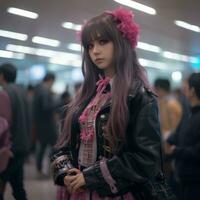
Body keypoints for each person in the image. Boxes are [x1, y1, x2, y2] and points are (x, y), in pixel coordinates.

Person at [52, 7, 174, 200]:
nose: (95, 51)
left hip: (117, 192)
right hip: (79, 190)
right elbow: (64, 142)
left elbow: (146, 160)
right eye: (90, 45)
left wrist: (91, 177)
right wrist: (66, 172)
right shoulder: (86, 95)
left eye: (103, 42)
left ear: (121, 42)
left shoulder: (139, 95)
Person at [0, 63, 30, 200]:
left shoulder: (4, 93)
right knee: (18, 187)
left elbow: (4, 125)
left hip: (9, 150)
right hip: (22, 147)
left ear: (2, 76)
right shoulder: (23, 93)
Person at [172, 73, 200, 200]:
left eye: (186, 86)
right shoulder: (189, 113)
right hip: (184, 177)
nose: (183, 89)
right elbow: (177, 135)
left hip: (195, 181)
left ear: (192, 90)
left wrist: (176, 151)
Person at [33, 72, 59, 177]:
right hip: (47, 126)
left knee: (42, 148)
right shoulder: (44, 90)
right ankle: (54, 170)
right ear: (51, 80)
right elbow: (46, 107)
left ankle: (40, 170)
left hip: (41, 125)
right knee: (55, 147)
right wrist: (59, 102)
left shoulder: (38, 90)